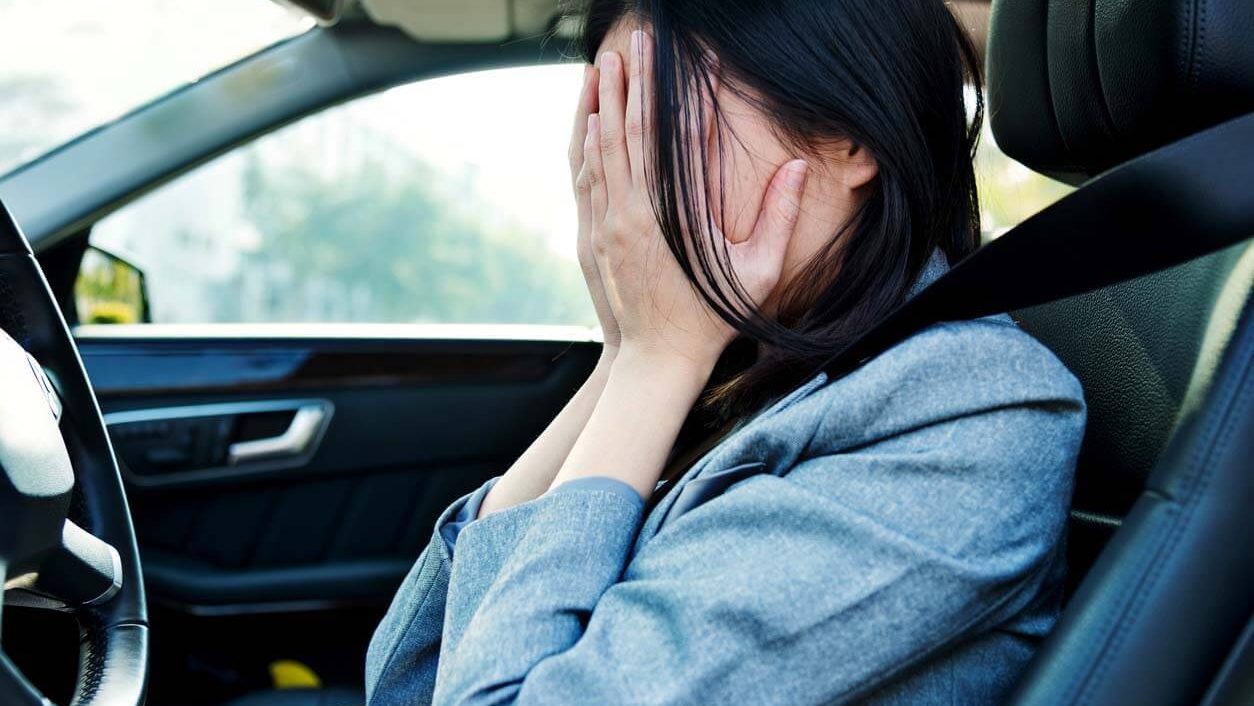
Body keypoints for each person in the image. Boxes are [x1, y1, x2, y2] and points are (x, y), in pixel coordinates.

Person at [366, 1, 1085, 703]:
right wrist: (621, 357)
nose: (628, 197)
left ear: (845, 134)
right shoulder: (744, 360)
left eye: (655, 126)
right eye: (609, 135)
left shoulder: (972, 412)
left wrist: (656, 359)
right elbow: (407, 681)